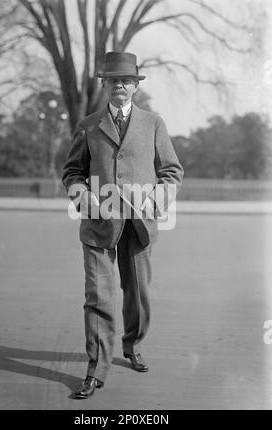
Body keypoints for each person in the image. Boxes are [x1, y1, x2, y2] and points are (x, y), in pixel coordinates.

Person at [62, 51, 184, 399]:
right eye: (113, 80)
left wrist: (155, 200)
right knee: (98, 295)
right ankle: (96, 369)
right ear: (105, 85)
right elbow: (72, 172)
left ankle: (132, 345)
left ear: (135, 86)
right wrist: (86, 200)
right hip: (99, 225)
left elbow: (172, 171)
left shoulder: (153, 123)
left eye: (126, 80)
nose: (119, 85)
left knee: (138, 294)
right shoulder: (88, 125)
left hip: (139, 224)